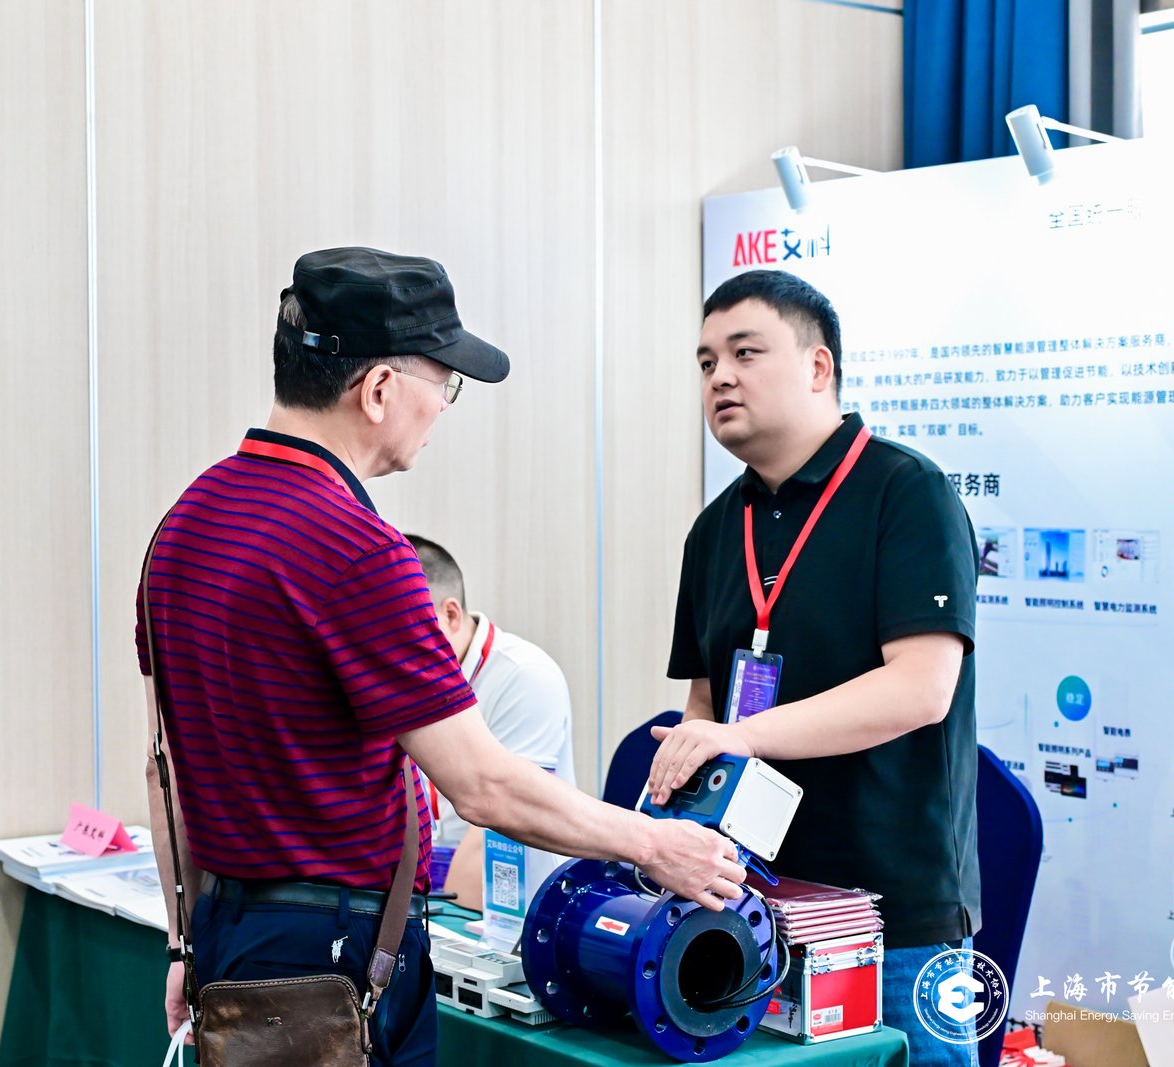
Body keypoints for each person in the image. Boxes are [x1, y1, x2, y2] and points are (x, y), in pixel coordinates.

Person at [137, 247, 744, 1067]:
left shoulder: (181, 528)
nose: (442, 409)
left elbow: (164, 771)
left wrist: (185, 941)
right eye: (444, 383)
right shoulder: (356, 549)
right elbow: (483, 784)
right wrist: (653, 843)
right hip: (331, 959)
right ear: (379, 390)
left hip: (227, 932)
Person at [646, 269, 981, 1066]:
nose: (719, 377)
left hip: (891, 917)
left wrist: (744, 735)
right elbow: (707, 701)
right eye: (705, 362)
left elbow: (922, 687)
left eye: (745, 353)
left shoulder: (907, 492)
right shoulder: (715, 529)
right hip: (748, 907)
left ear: (818, 366)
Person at [405, 533, 576, 902]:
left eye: (402, 630)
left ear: (450, 615)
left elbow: (498, 818)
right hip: (431, 886)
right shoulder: (398, 676)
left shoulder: (525, 675)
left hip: (513, 899)